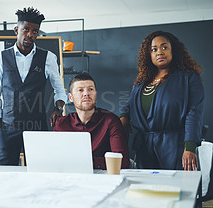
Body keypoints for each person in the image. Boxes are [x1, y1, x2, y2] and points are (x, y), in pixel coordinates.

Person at [0, 7, 67, 165]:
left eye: (35, 31)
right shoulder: (1, 58)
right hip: (8, 127)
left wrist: (58, 108)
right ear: (17, 30)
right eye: (26, 29)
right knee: (5, 173)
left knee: (39, 171)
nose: (30, 35)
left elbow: (59, 89)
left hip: (37, 126)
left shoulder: (48, 58)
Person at [120, 30, 204, 171]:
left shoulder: (188, 78)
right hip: (145, 147)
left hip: (175, 145)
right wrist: (124, 115)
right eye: (154, 49)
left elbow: (194, 112)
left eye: (164, 47)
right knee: (147, 189)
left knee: (174, 189)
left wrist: (190, 146)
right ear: (149, 54)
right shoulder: (142, 81)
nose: (159, 52)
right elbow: (130, 102)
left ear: (173, 50)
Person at [54, 73, 130, 169]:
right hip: (71, 178)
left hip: (103, 179)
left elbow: (122, 161)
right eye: (80, 90)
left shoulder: (110, 121)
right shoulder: (61, 124)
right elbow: (55, 160)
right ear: (70, 97)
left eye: (90, 89)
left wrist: (84, 163)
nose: (86, 93)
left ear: (95, 94)